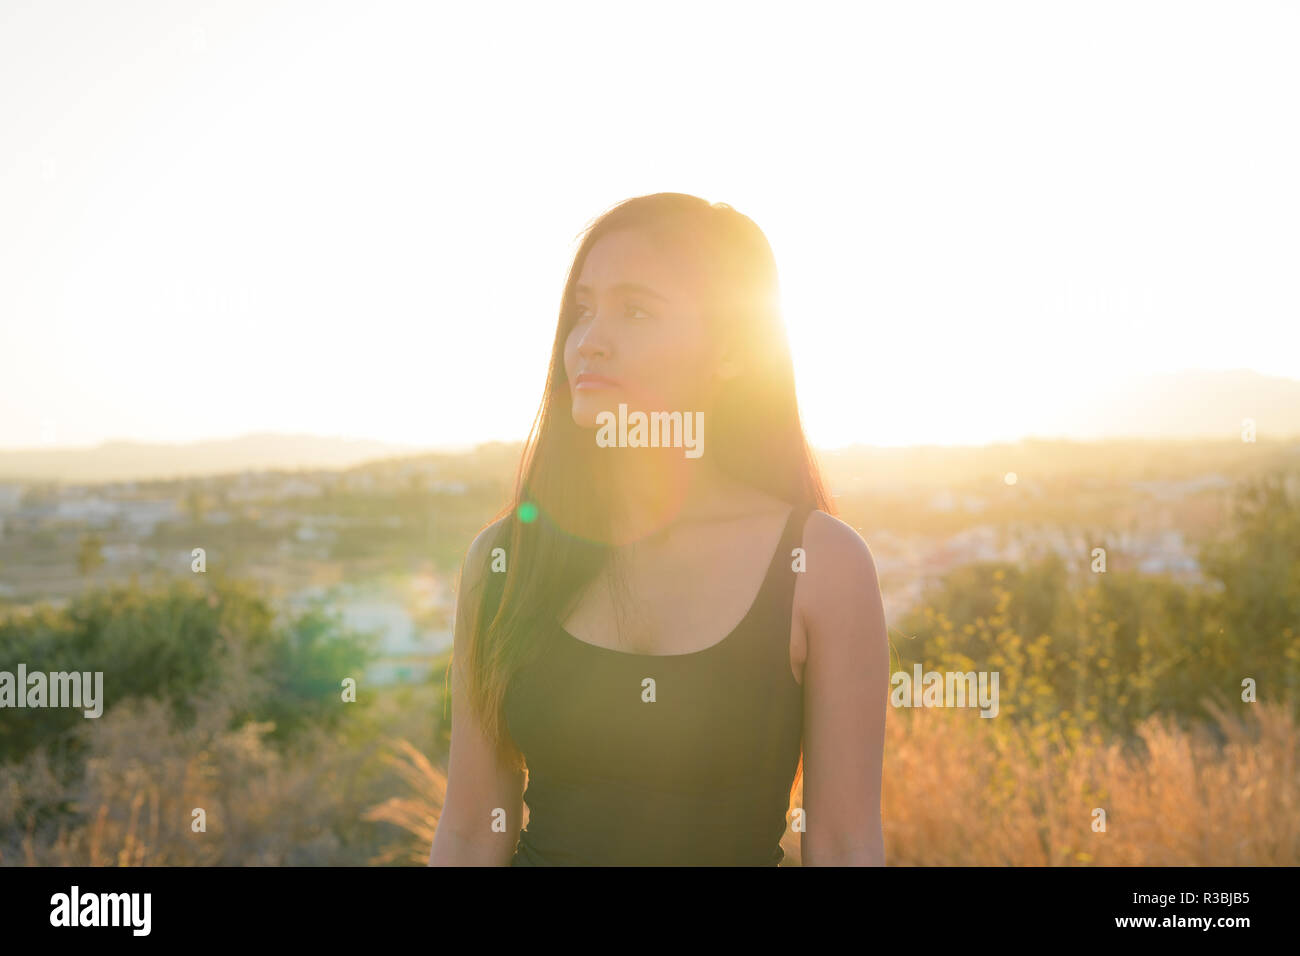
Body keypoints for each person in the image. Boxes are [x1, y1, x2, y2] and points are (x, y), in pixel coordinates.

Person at [428, 192, 888, 866]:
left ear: (730, 352)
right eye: (583, 310)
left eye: (636, 310)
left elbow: (844, 843)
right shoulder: (506, 557)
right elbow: (471, 829)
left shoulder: (819, 564)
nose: (589, 340)